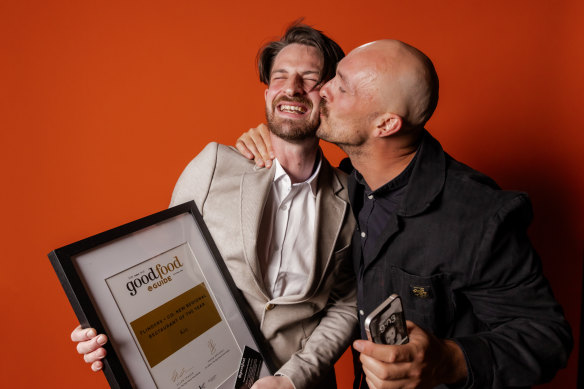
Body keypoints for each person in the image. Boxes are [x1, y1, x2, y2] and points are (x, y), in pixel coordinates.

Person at [236, 39, 573, 388]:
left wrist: (448, 359)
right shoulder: (348, 183)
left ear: (385, 125)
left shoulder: (478, 216)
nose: (321, 91)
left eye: (341, 87)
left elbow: (547, 337)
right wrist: (268, 138)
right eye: (332, 78)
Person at [71, 23, 358, 389]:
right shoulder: (212, 167)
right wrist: (105, 324)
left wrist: (292, 378)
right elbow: (158, 278)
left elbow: (346, 304)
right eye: (280, 77)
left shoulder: (351, 196)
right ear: (268, 92)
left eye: (310, 78)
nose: (292, 88)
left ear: (328, 93)